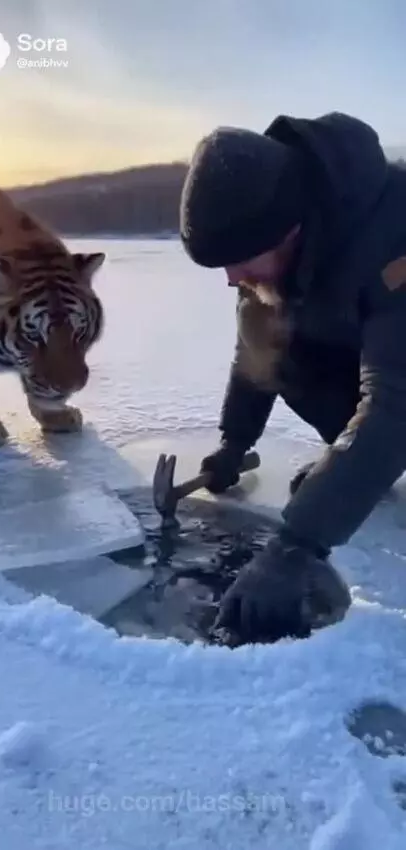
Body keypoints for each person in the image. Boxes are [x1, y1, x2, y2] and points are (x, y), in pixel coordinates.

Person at [179, 111, 406, 647]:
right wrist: (235, 443)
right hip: (378, 357)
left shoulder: (393, 235)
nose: (232, 279)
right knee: (280, 344)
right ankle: (354, 471)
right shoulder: (273, 245)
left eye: (238, 261)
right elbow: (255, 348)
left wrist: (296, 544)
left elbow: (398, 399)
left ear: (290, 228)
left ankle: (358, 471)